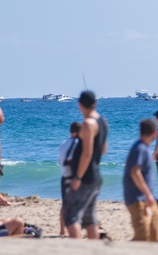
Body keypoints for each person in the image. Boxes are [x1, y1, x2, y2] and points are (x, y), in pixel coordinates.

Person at [66, 90, 108, 240]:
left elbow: (87, 153)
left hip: (86, 176)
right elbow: (103, 149)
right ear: (95, 104)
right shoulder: (102, 122)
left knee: (72, 217)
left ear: (80, 105)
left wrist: (77, 177)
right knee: (90, 219)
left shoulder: (88, 124)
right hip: (96, 175)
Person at [124, 118, 158, 242]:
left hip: (146, 199)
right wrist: (148, 195)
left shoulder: (143, 148)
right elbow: (135, 172)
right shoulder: (140, 148)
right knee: (142, 236)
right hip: (138, 199)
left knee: (155, 234)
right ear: (154, 133)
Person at [58, 122, 81, 236]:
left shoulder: (63, 143)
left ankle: (62, 230)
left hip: (64, 176)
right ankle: (76, 230)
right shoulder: (78, 144)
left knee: (64, 204)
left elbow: (59, 161)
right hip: (75, 177)